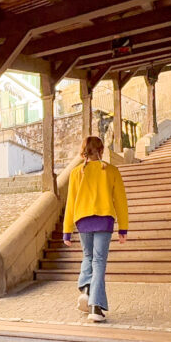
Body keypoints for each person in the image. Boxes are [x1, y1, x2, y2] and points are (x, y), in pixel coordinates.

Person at [62, 136, 129, 323]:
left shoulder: (76, 173)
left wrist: (67, 230)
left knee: (88, 256)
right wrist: (123, 228)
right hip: (104, 221)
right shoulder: (112, 171)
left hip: (83, 221)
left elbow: (71, 203)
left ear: (84, 151)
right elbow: (121, 202)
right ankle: (95, 307)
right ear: (101, 150)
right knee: (99, 261)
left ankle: (86, 288)